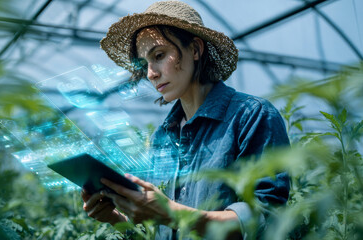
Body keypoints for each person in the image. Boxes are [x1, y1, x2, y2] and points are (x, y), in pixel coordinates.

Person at [81, 1, 290, 239]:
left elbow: (266, 218)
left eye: (159, 55)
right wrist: (115, 218)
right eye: (144, 64)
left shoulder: (251, 116)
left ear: (195, 49)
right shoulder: (162, 137)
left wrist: (171, 213)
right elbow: (158, 229)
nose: (151, 73)